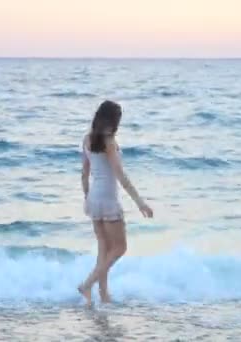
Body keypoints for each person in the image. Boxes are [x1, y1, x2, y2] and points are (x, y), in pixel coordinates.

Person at [78, 100, 153, 306]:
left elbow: (84, 174)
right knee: (120, 248)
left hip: (94, 198)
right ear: (113, 120)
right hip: (109, 199)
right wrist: (140, 202)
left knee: (104, 248)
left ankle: (103, 296)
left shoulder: (87, 139)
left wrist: (86, 198)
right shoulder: (109, 142)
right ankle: (87, 284)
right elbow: (120, 175)